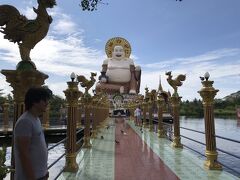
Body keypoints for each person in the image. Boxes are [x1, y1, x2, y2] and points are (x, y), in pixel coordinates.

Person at [14, 87, 52, 180]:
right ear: (34, 102)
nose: (47, 103)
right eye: (44, 100)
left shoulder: (35, 119)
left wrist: (44, 170)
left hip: (40, 175)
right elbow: (23, 153)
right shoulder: (25, 121)